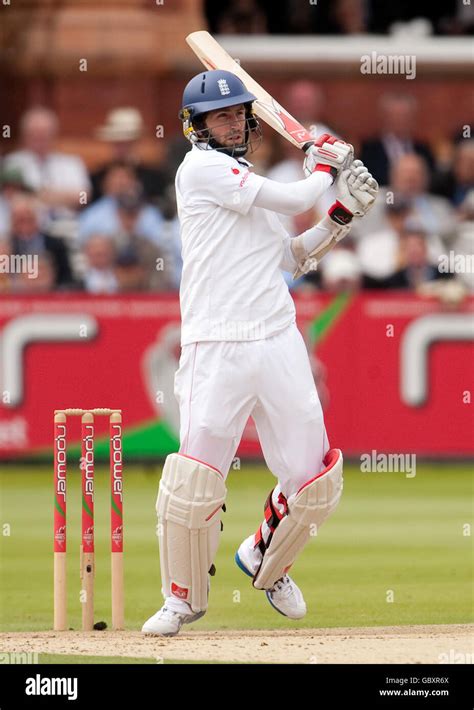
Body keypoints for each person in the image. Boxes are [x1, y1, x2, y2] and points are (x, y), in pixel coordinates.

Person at [141, 69, 378, 637]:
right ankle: (182, 599)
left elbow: (292, 258)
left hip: (276, 337)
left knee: (315, 480)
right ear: (196, 126)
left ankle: (266, 561)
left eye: (238, 115)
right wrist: (324, 161)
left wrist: (342, 215)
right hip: (214, 342)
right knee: (196, 479)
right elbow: (300, 193)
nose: (232, 123)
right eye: (219, 116)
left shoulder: (250, 181)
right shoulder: (200, 171)